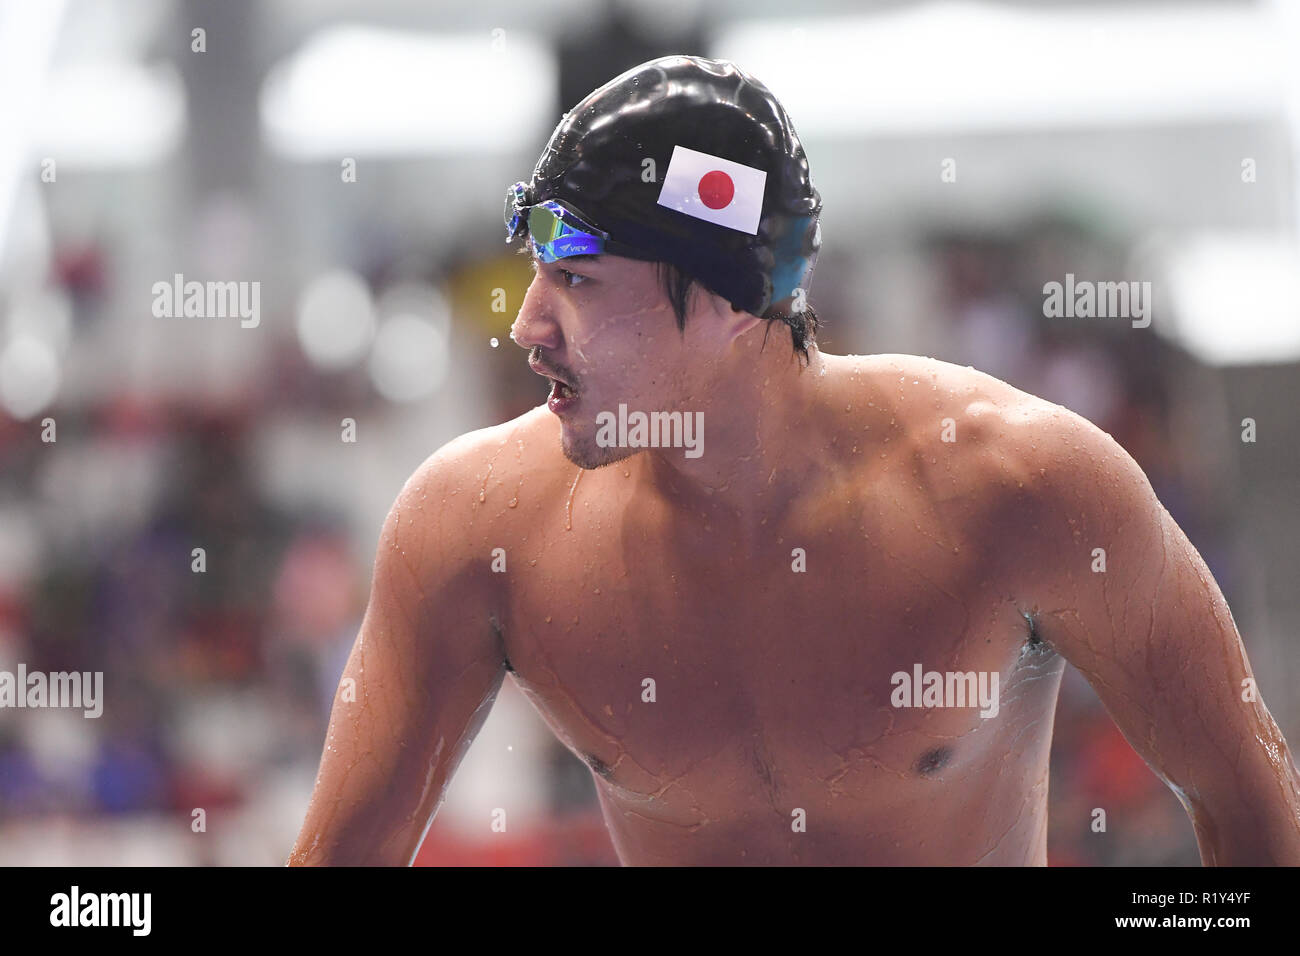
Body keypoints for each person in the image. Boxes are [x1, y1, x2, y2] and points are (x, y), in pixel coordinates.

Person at [287, 55, 1300, 866]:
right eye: (535, 273)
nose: (527, 323)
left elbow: (1248, 800)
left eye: (579, 280)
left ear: (726, 295)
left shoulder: (1023, 487)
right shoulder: (478, 528)